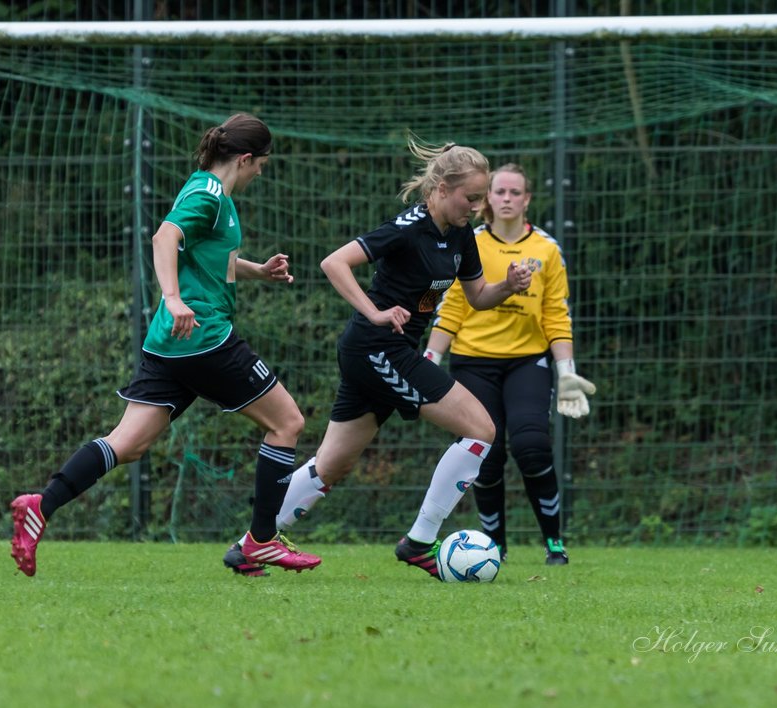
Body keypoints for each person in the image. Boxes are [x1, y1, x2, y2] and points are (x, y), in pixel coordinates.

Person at [10, 112, 320, 578]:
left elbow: (211, 260)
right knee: (287, 423)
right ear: (247, 158)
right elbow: (165, 236)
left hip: (170, 344)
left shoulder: (210, 193)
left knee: (128, 443)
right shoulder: (210, 194)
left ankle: (41, 505)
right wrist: (173, 298)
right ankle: (261, 541)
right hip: (203, 337)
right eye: (262, 166)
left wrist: (258, 271)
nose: (260, 174)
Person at [234, 139, 532, 578]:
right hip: (376, 348)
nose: (476, 207)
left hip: (382, 352)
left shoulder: (461, 234)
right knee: (482, 429)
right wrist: (373, 312)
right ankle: (420, 540)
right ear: (444, 188)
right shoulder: (408, 228)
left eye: (480, 198)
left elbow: (478, 297)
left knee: (333, 462)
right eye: (470, 198)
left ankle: (248, 547)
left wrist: (507, 285)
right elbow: (334, 262)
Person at [423, 163, 596, 565]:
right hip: (471, 362)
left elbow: (556, 314)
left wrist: (566, 372)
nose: (505, 199)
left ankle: (554, 542)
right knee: (487, 451)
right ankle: (494, 545)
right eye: (498, 191)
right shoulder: (471, 243)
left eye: (514, 192)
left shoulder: (547, 250)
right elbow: (451, 309)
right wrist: (430, 358)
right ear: (487, 198)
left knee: (532, 444)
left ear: (527, 199)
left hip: (526, 362)